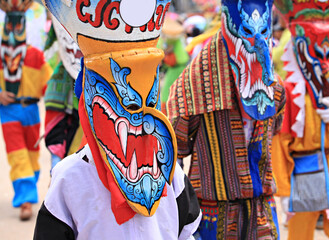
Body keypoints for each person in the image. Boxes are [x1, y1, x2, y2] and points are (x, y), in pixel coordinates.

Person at [34, 0, 201, 238]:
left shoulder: (170, 173)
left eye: (150, 102)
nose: (143, 120)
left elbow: (188, 232)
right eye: (129, 104)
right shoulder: (70, 179)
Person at [167, 0, 285, 238]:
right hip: (215, 211)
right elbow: (174, 145)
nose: (256, 44)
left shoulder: (274, 85)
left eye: (263, 32)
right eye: (247, 33)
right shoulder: (198, 80)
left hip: (261, 206)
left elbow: (275, 127)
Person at [272, 0, 329, 238]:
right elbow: (279, 144)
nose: (322, 53)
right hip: (303, 169)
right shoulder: (289, 92)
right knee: (301, 232)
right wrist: (285, 189)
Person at [0, 0, 52, 221]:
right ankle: (26, 200)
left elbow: (49, 84)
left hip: (30, 110)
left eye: (17, 26)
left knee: (31, 156)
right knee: (17, 154)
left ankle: (28, 191)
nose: (13, 32)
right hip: (9, 111)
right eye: (9, 27)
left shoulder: (35, 55)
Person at [43, 16, 84, 170]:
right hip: (61, 99)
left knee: (78, 157)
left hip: (84, 103)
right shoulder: (58, 79)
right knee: (59, 152)